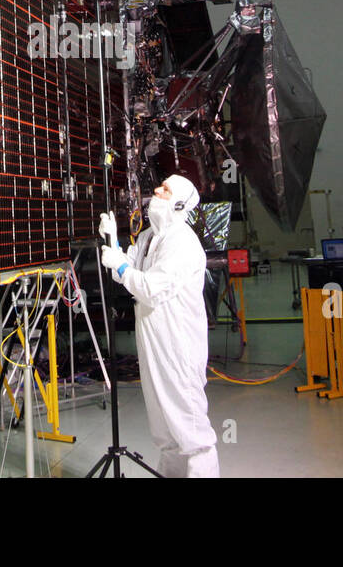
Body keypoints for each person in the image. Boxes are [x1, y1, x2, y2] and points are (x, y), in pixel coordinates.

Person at [99, 174, 219, 478]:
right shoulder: (151, 236)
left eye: (164, 190)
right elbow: (127, 274)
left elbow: (150, 288)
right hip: (153, 344)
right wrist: (113, 242)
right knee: (165, 430)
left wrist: (121, 264)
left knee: (189, 428)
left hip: (178, 347)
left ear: (179, 204)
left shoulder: (183, 243)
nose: (155, 191)